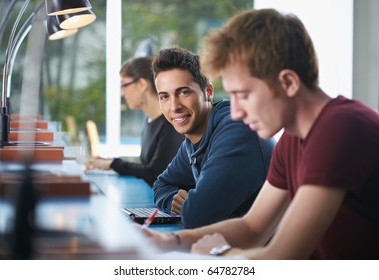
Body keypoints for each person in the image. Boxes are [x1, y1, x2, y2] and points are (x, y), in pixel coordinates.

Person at [143, 9, 379, 259]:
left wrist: (217, 252)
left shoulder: (339, 129)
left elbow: (282, 256)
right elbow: (252, 227)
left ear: (288, 82)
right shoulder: (292, 139)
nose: (236, 110)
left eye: (243, 95)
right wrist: (169, 241)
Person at [151, 47, 275, 229]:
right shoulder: (193, 140)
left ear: (208, 91)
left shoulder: (237, 130)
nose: (174, 106)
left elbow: (198, 215)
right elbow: (162, 183)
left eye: (183, 92)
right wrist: (173, 200)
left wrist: (189, 204)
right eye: (164, 97)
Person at [85, 57, 184, 187]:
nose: (122, 92)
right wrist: (111, 163)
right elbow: (147, 167)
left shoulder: (171, 124)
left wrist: (114, 164)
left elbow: (156, 172)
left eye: (124, 85)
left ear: (142, 84)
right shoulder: (149, 120)